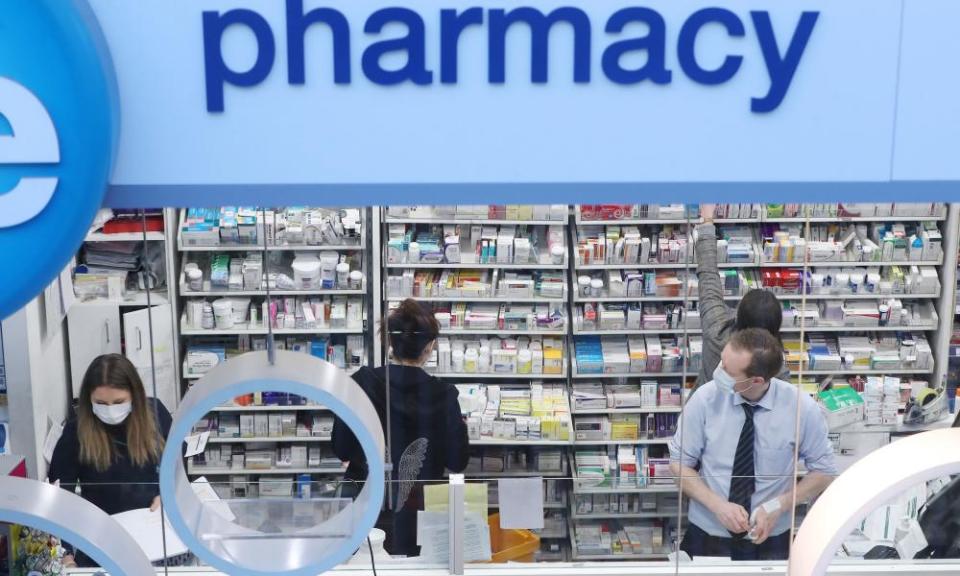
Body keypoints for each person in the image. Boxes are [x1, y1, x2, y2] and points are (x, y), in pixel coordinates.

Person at [669, 328, 836, 561]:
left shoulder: (801, 408)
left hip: (771, 536)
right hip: (708, 532)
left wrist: (779, 505)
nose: (719, 371)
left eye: (728, 370)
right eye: (722, 362)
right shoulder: (704, 400)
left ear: (756, 380)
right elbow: (679, 465)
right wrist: (718, 505)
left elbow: (824, 471)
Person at [332, 298, 469, 557]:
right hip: (419, 512)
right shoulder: (444, 395)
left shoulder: (361, 383)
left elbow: (341, 448)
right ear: (429, 348)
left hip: (364, 508)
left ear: (390, 344)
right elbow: (457, 461)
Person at [48, 354, 171, 566]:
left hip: (155, 535)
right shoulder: (76, 433)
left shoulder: (155, 414)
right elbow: (60, 497)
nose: (111, 409)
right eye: (101, 403)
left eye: (119, 402)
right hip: (101, 542)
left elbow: (178, 465)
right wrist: (66, 554)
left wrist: (169, 495)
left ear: (135, 395)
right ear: (88, 400)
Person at [696, 204, 787, 386]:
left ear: (738, 316)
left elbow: (708, 276)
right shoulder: (776, 366)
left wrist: (707, 220)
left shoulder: (717, 331)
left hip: (705, 412)